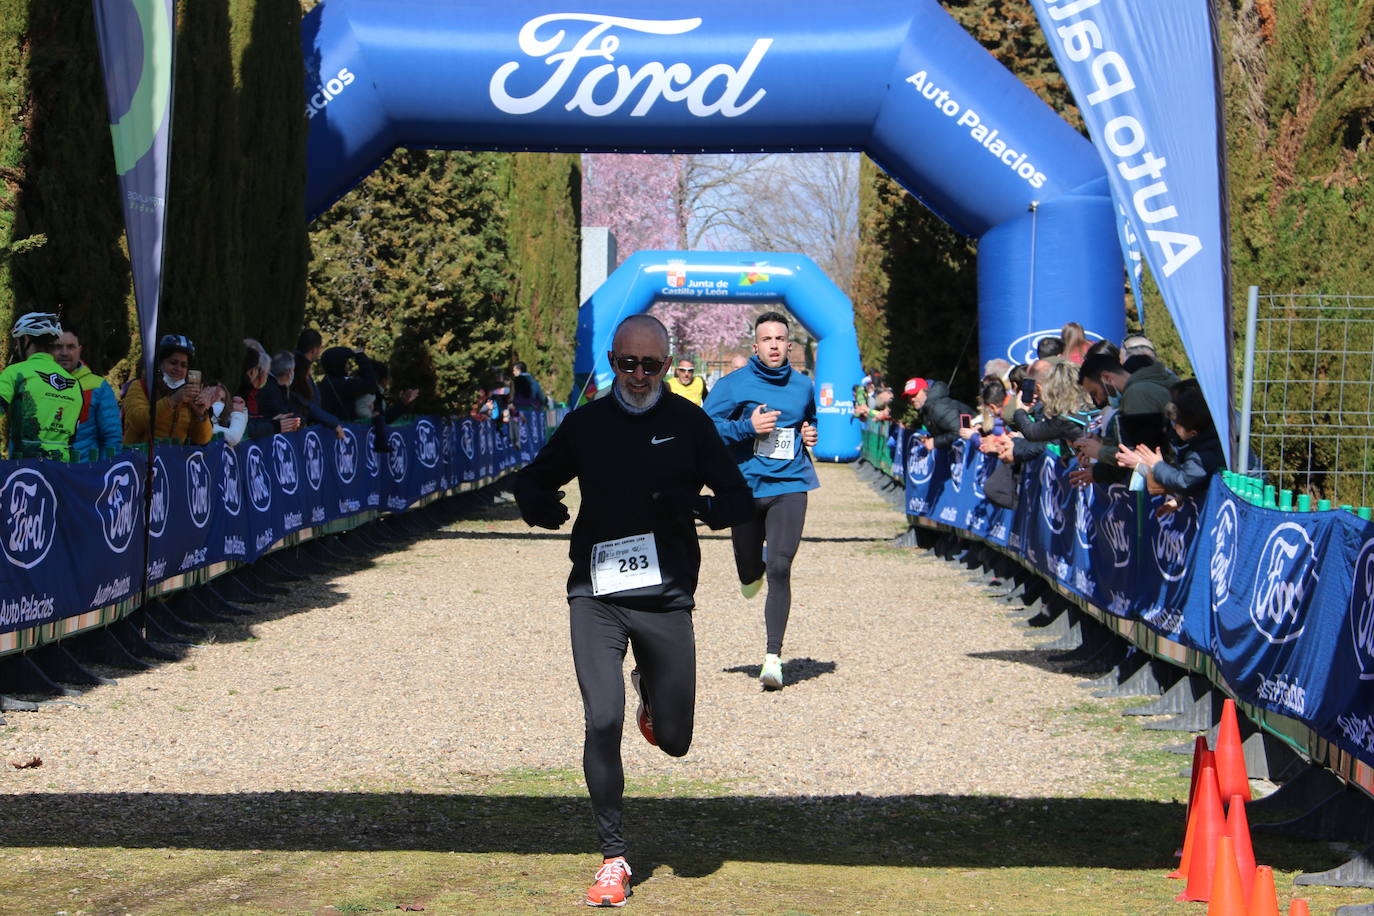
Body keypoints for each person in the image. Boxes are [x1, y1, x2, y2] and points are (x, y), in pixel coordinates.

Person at [511, 314, 751, 908]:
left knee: (674, 741)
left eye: (652, 366)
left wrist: (706, 508)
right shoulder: (588, 424)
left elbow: (738, 496)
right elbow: (534, 477)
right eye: (628, 364)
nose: (639, 376)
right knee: (600, 718)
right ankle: (613, 858)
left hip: (666, 597)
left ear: (667, 367)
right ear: (612, 361)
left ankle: (650, 690)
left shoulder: (689, 424)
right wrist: (536, 502)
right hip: (595, 595)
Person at [702, 311, 819, 690]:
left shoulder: (803, 387)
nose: (773, 345)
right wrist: (746, 427)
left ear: (789, 345)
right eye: (766, 339)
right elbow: (704, 430)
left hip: (790, 484)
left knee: (781, 567)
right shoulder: (733, 385)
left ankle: (773, 658)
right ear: (755, 346)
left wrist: (809, 433)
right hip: (746, 489)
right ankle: (751, 570)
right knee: (750, 570)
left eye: (780, 339)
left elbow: (809, 420)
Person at [1118, 379, 1225, 507]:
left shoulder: (1204, 453)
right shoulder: (1207, 440)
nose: (1172, 428)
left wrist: (1155, 465)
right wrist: (1180, 499)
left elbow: (1184, 480)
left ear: (1193, 433)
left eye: (1176, 424)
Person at [1070, 353, 1173, 486]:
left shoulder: (1137, 393)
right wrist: (1103, 443)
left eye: (1095, 393)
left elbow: (1146, 455)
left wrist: (1100, 452)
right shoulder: (1150, 385)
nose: (1098, 401)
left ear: (1106, 378)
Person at [0, 312, 83, 461]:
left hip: (25, 470)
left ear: (25, 340)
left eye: (18, 341)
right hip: (62, 470)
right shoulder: (74, 383)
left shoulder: (16, 372)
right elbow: (73, 435)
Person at [121, 333, 213, 446]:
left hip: (171, 462)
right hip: (140, 460)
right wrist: (173, 400)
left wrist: (200, 415)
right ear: (160, 364)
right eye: (173, 362)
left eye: (184, 365)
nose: (178, 369)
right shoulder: (140, 386)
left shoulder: (189, 396)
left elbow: (202, 440)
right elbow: (138, 421)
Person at [53, 321, 122, 460]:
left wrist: (101, 472)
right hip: (48, 472)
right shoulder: (39, 383)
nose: (64, 352)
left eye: (71, 347)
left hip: (84, 474)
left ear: (80, 350)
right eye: (58, 347)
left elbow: (112, 437)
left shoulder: (98, 386)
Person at [237, 339, 300, 438]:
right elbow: (245, 426)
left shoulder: (255, 392)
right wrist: (274, 425)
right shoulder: (241, 394)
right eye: (266, 373)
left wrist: (273, 422)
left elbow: (254, 420)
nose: (267, 377)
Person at [906, 376, 972, 450]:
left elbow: (961, 431)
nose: (912, 399)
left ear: (925, 391)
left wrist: (934, 442)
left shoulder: (938, 407)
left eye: (914, 394)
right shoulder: (926, 410)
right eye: (909, 396)